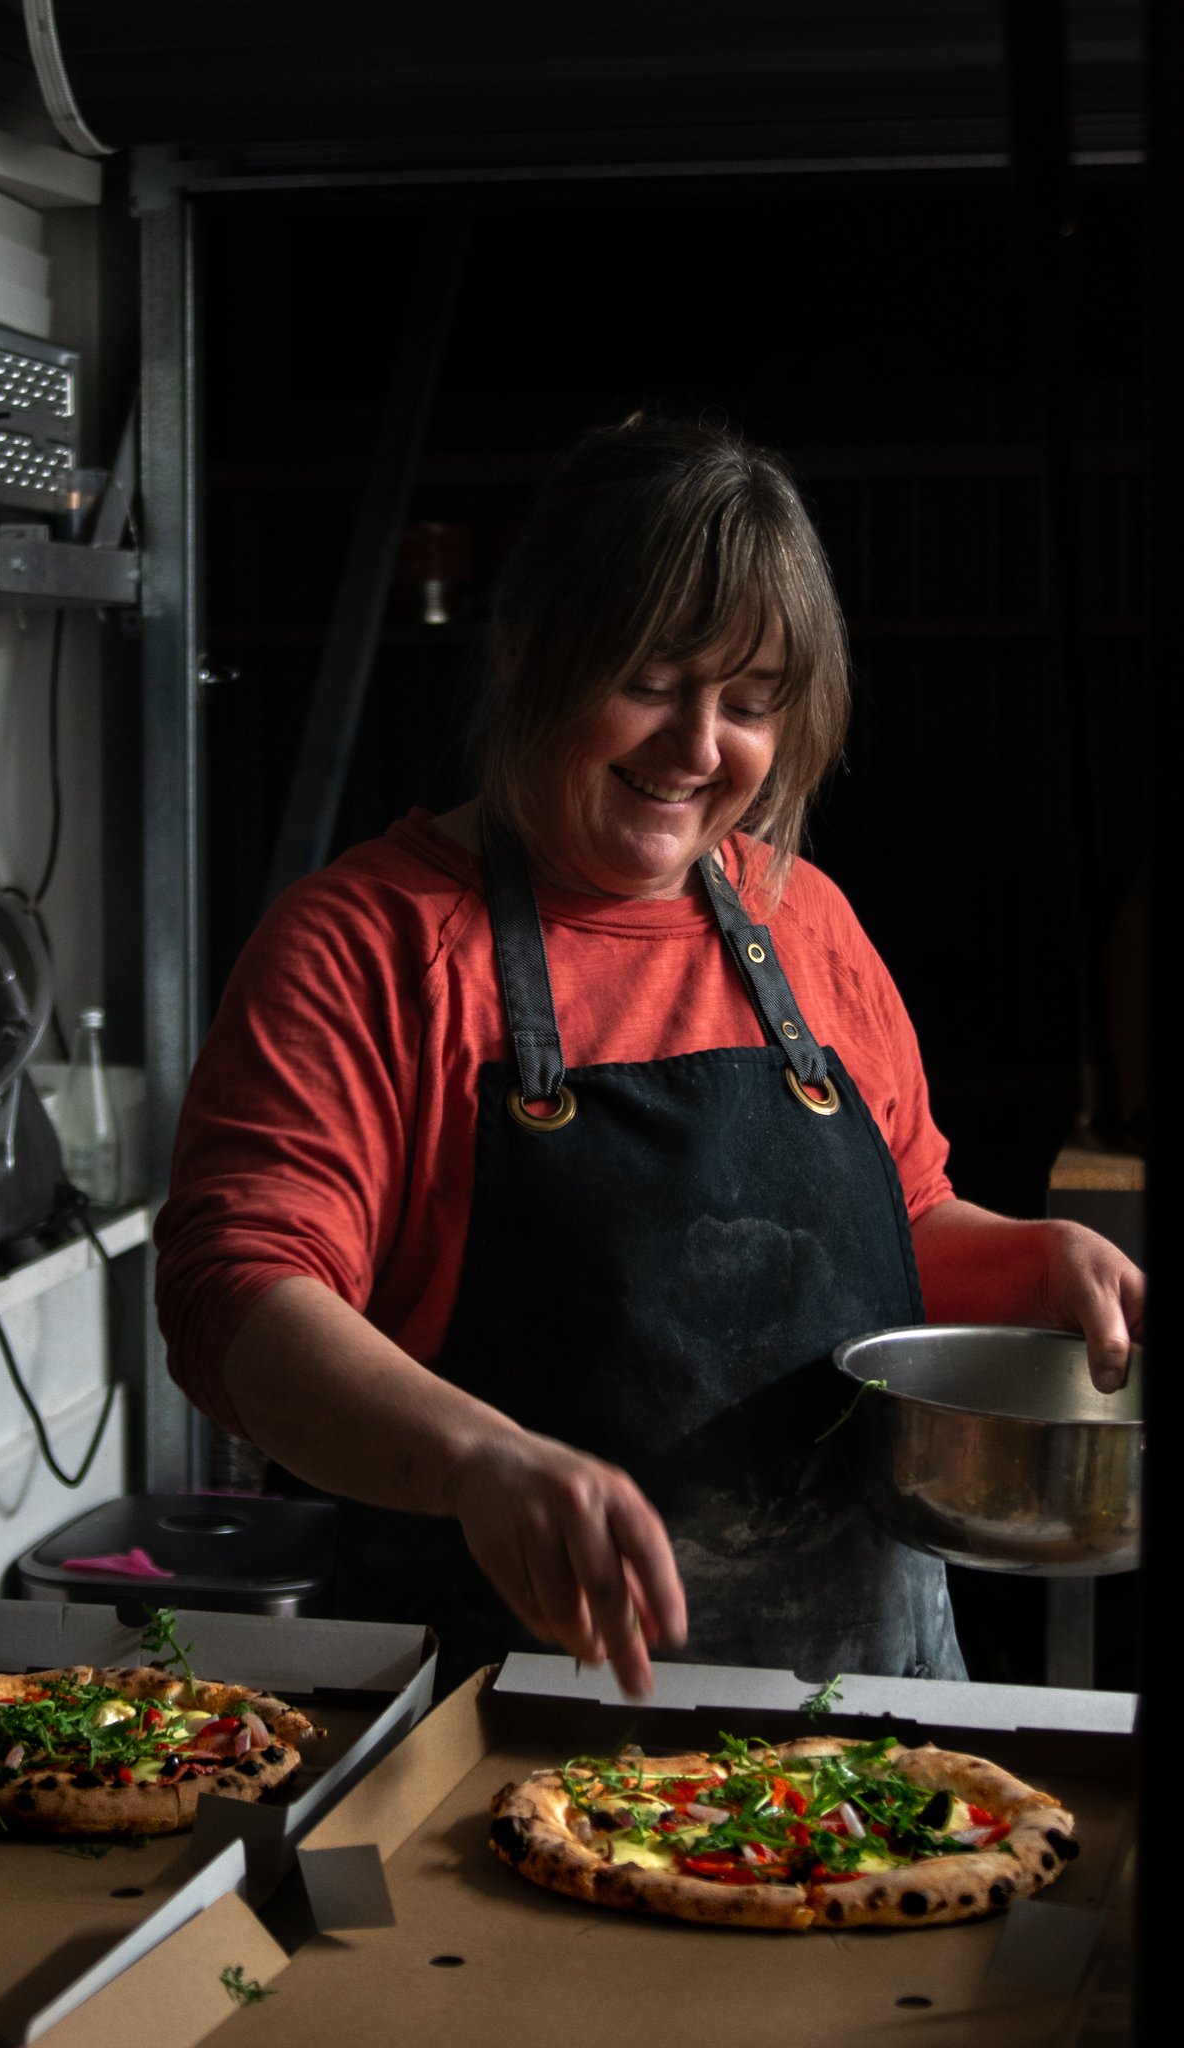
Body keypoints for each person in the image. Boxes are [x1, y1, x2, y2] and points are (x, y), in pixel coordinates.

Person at [155, 416, 1144, 1697]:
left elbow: (894, 1225)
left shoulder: (804, 918)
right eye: (653, 680)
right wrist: (476, 1456)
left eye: (749, 704)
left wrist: (1030, 1257)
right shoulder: (367, 945)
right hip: (513, 1731)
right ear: (523, 652)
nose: (697, 747)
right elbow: (236, 1294)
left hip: (865, 1715)